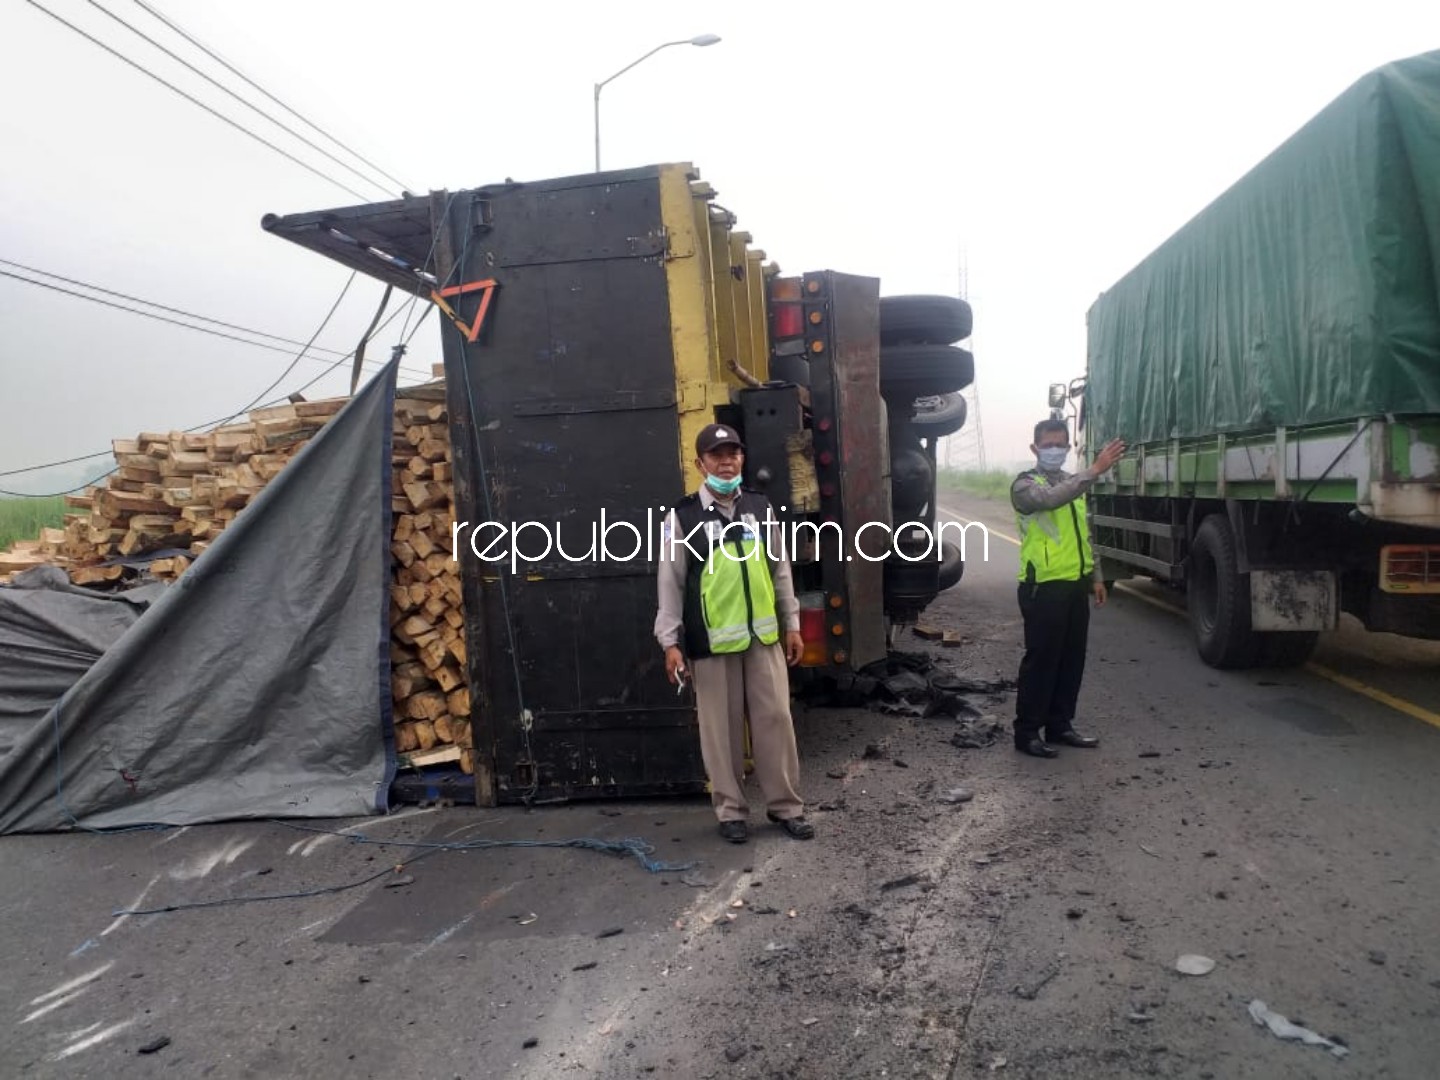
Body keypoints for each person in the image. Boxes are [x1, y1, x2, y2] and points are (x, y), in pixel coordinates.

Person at [655, 423, 814, 844]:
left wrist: (791, 624)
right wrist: (669, 641)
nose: (726, 462)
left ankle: (787, 808)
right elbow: (669, 582)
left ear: (742, 459)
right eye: (716, 455)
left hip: (763, 640)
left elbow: (780, 570)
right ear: (699, 463)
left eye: (733, 454)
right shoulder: (681, 516)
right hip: (711, 645)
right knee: (720, 732)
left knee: (776, 722)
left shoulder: (761, 508)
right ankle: (731, 813)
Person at [1010, 419, 1126, 758]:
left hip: (1075, 585)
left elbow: (1084, 534)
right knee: (1042, 661)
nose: (1055, 450)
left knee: (1071, 660)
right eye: (1048, 445)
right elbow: (1048, 500)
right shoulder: (1026, 485)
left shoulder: (1072, 484)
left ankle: (1060, 725)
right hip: (1043, 587)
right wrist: (1094, 470)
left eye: (1061, 444)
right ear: (1035, 449)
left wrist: (1096, 576)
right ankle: (1027, 731)